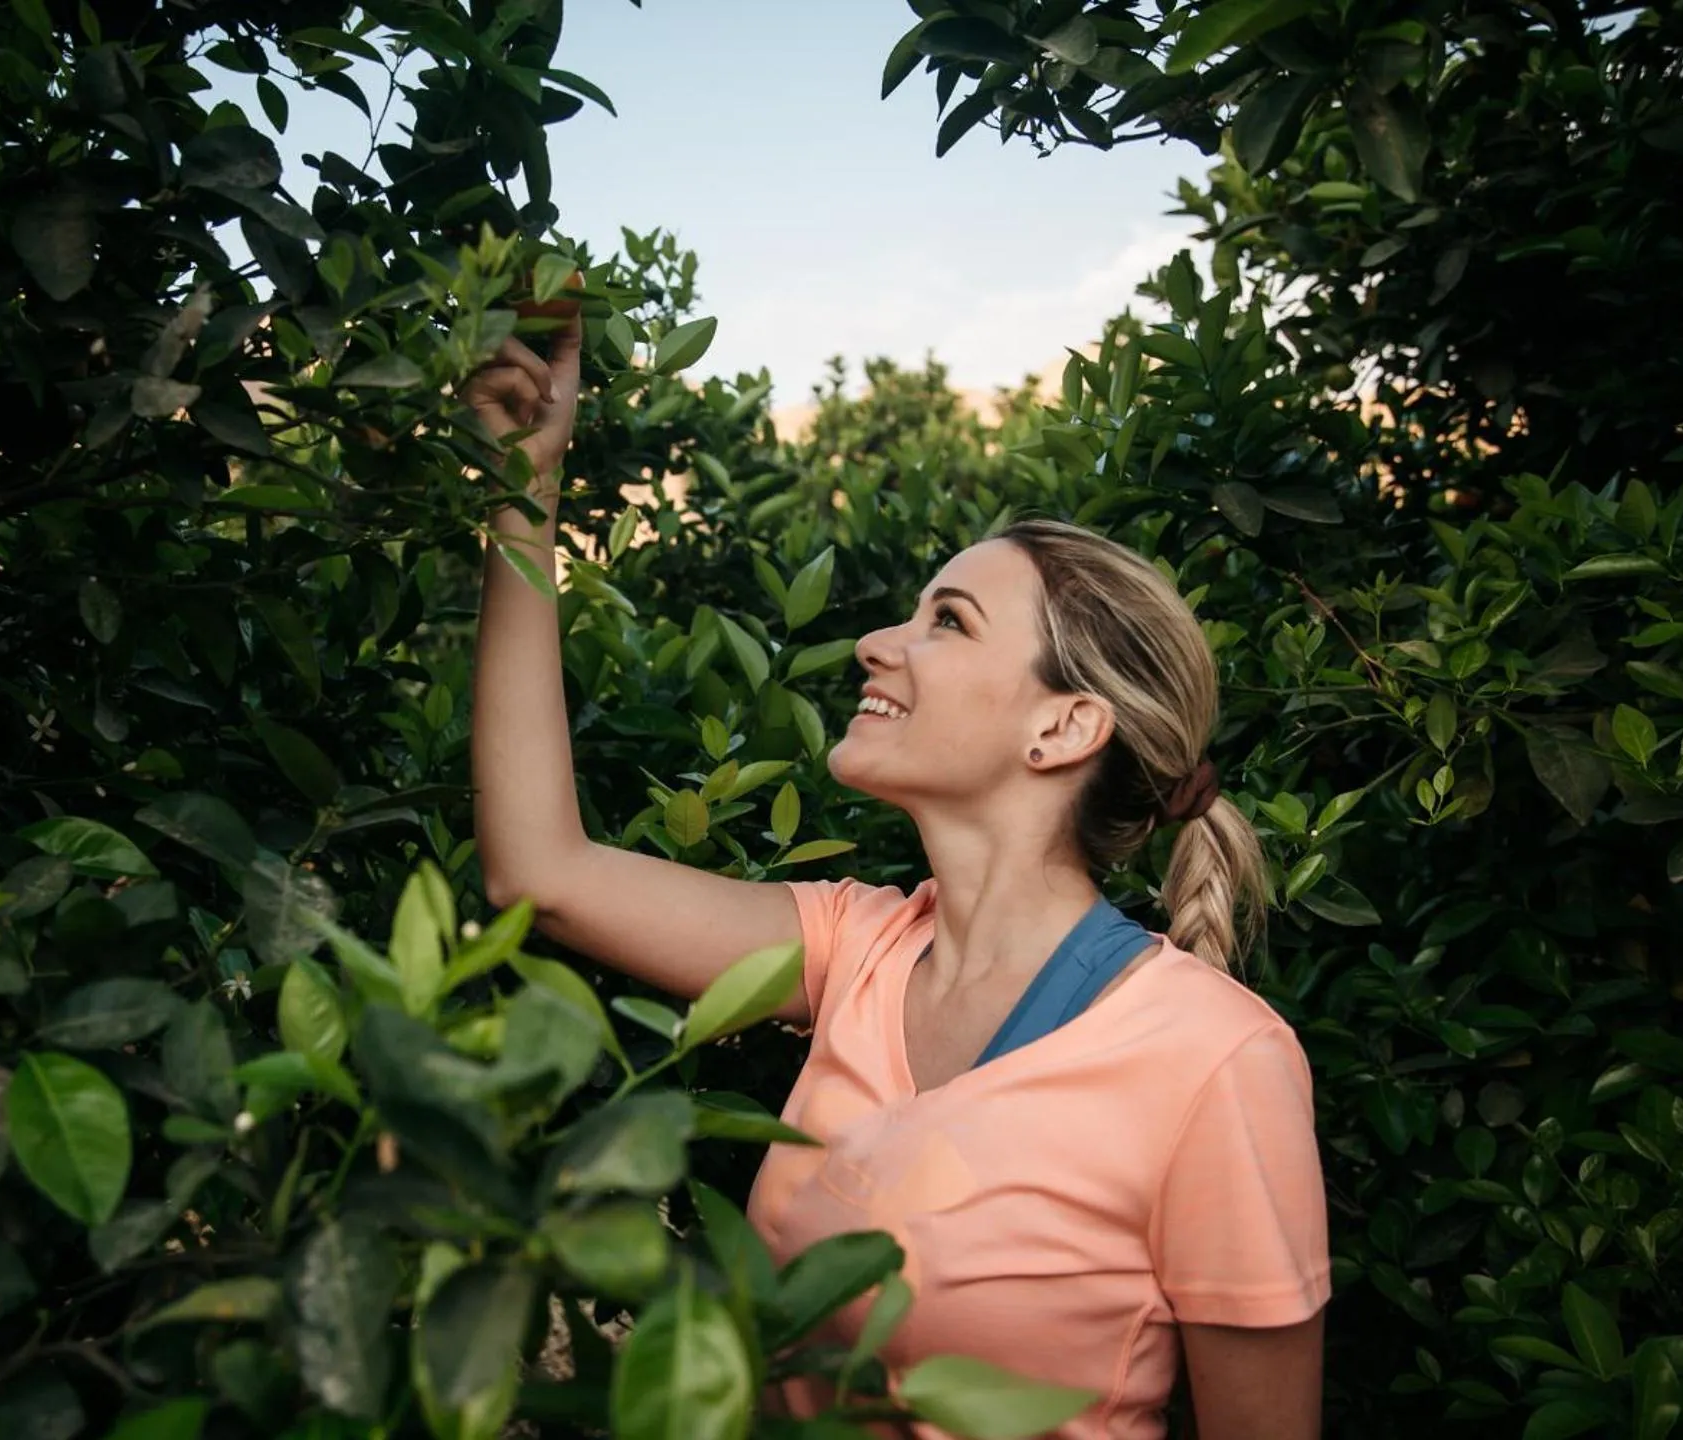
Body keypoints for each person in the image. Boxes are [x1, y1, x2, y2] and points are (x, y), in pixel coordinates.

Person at [464, 314, 1330, 1440]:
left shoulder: (1217, 1062)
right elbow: (540, 870)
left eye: (947, 622)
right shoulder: (856, 948)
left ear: (1064, 725)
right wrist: (521, 495)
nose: (877, 643)